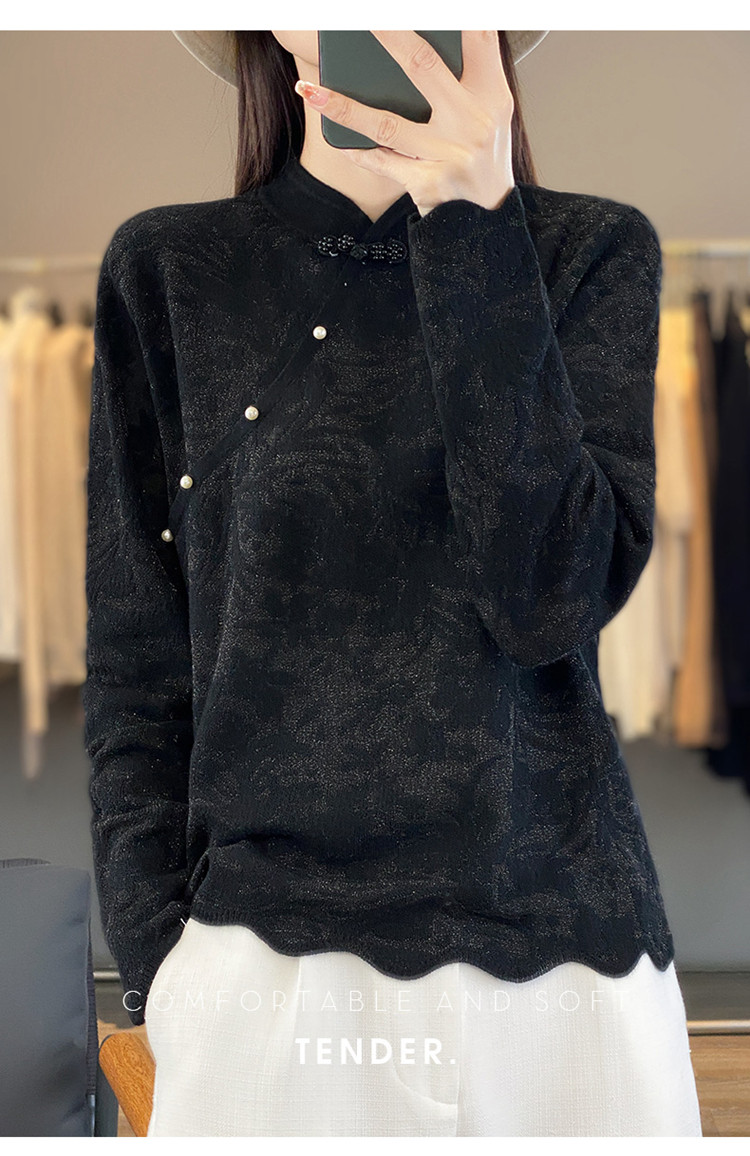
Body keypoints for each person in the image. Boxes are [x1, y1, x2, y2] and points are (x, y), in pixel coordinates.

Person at [83, 30, 704, 1136]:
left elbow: (548, 601)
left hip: (564, 969)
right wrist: (161, 970)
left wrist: (475, 228)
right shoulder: (172, 270)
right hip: (264, 977)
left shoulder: (590, 253)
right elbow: (139, 660)